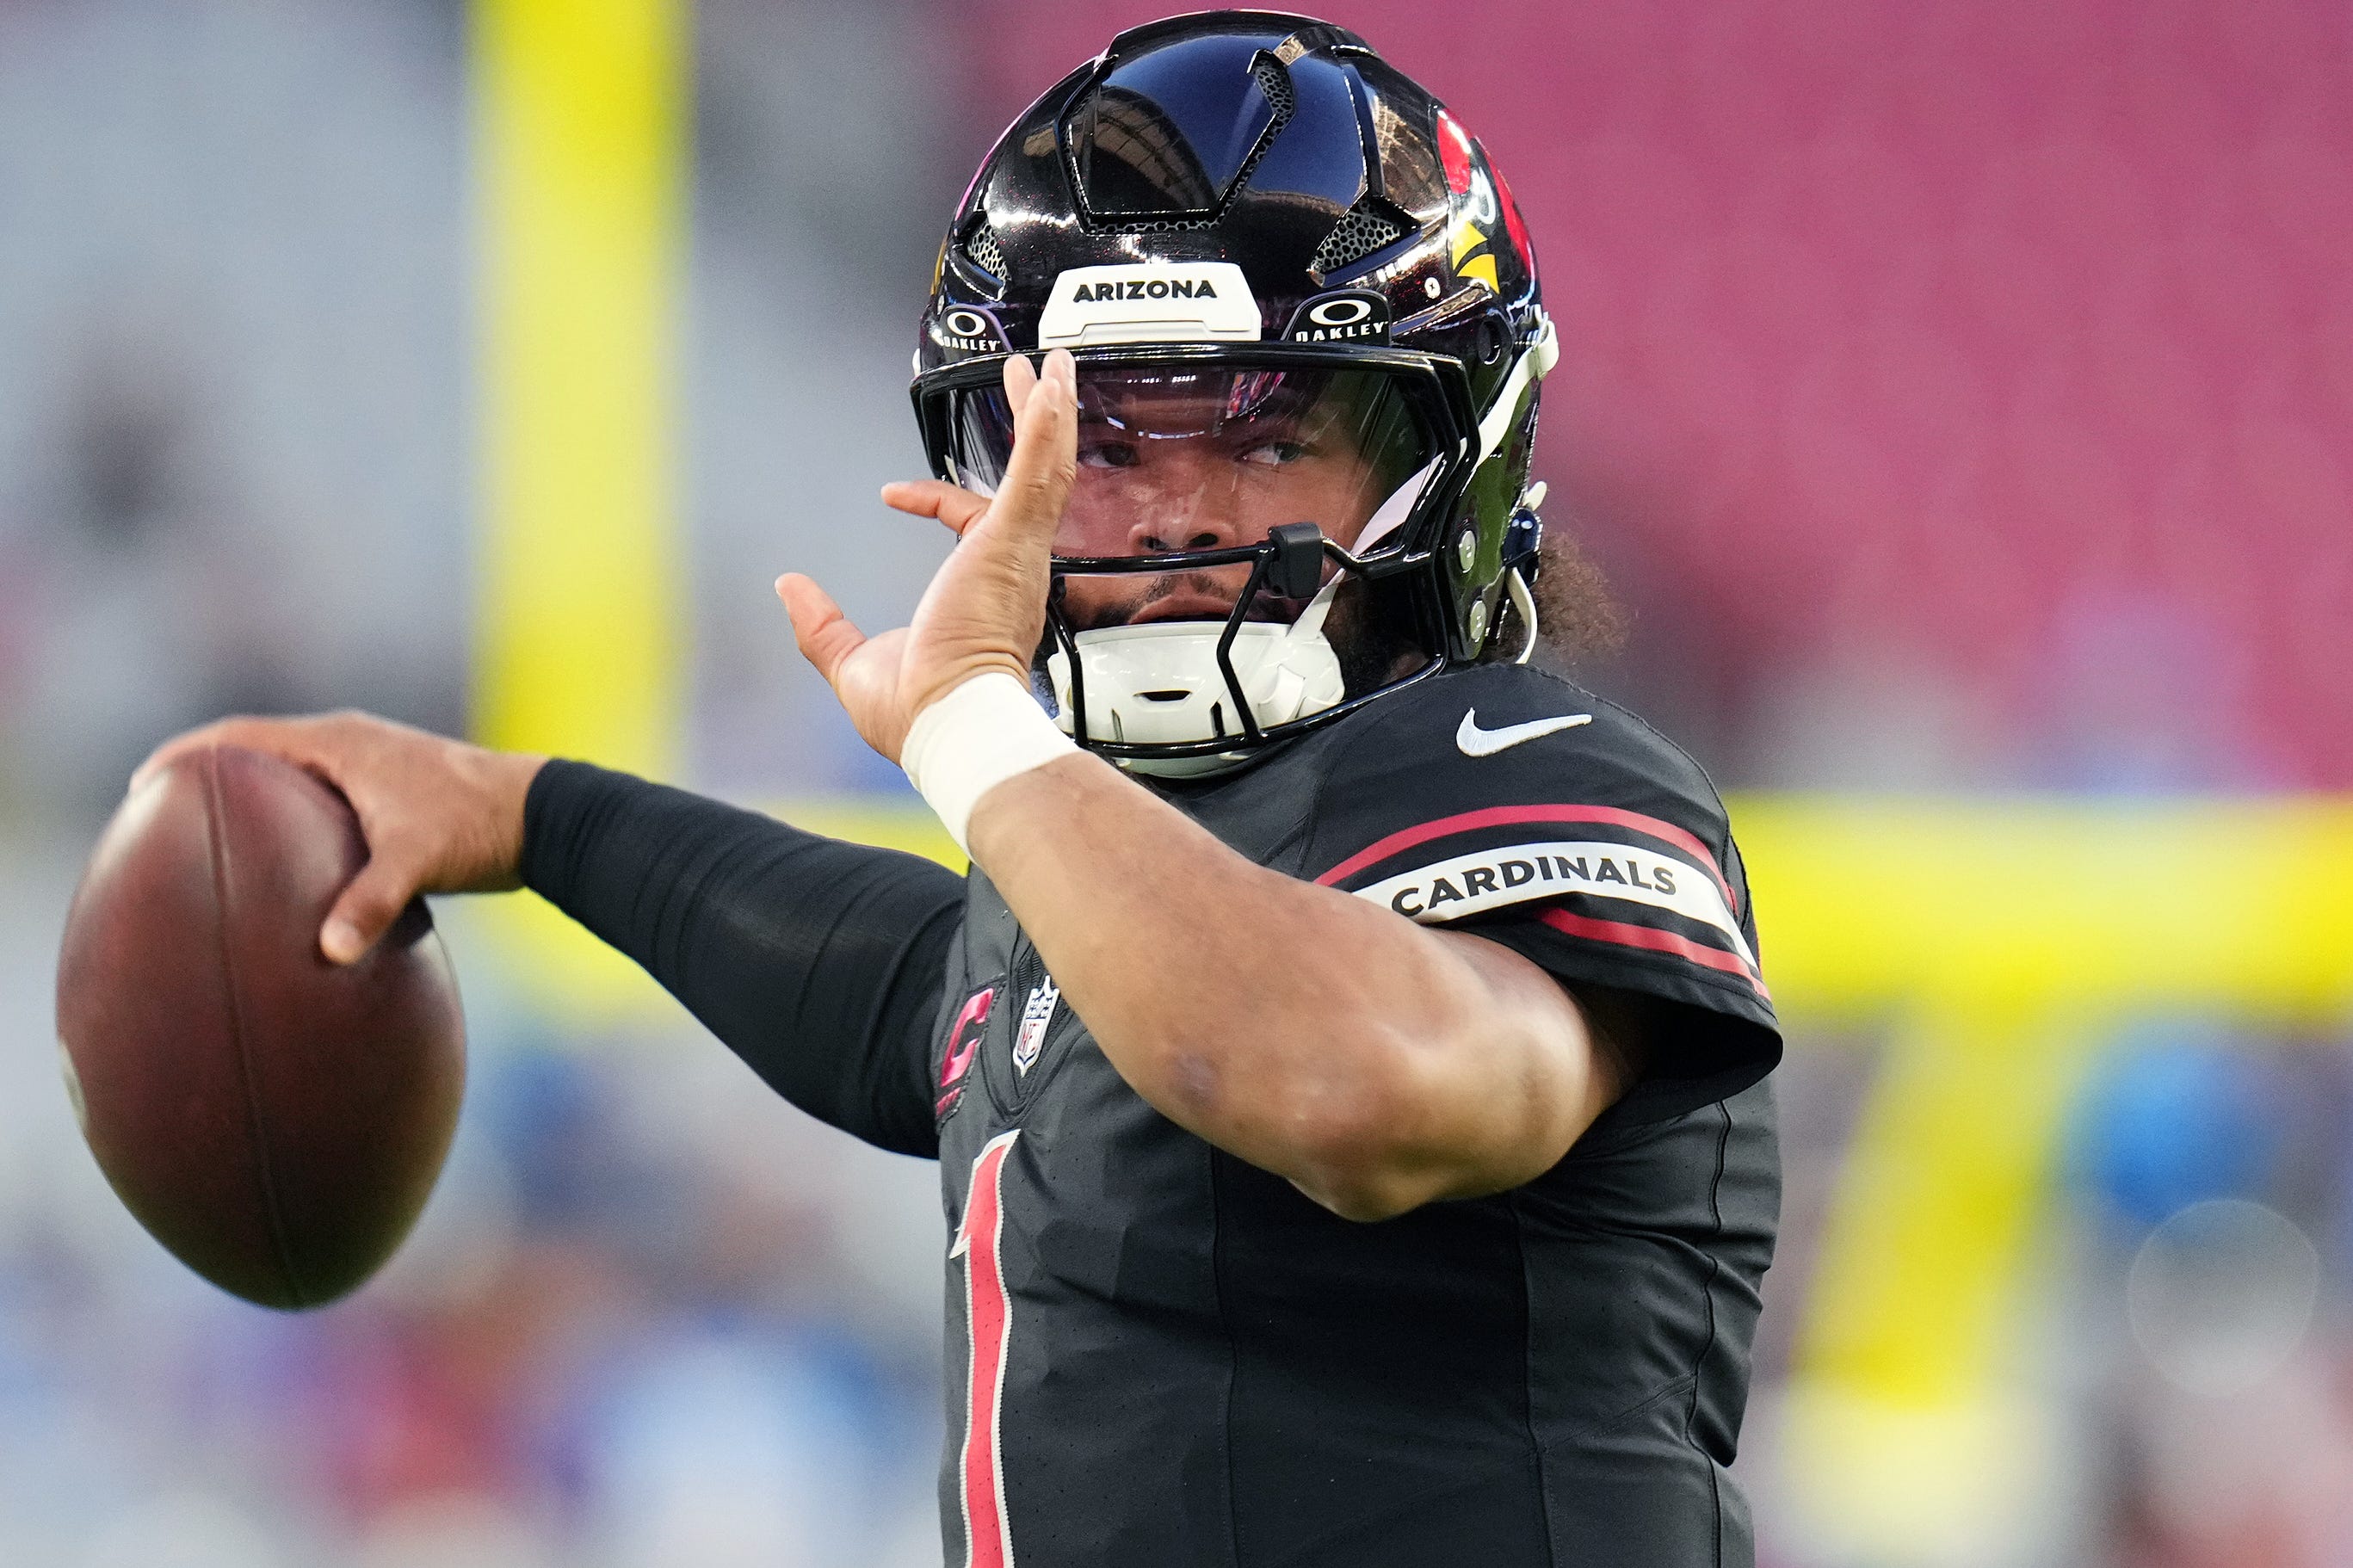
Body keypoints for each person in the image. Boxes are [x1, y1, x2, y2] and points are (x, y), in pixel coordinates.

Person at [142, 14, 1782, 1564]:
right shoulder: (1104, 895)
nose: (1165, 519)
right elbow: (929, 990)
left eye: (1268, 440)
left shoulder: (1538, 773)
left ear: (1450, 459)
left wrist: (976, 734)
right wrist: (529, 814)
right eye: (1107, 448)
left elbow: (1345, 1076)